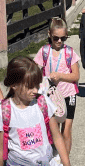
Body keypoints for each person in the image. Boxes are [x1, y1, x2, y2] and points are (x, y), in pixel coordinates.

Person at [34, 17, 81, 154]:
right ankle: (55, 155)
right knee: (53, 128)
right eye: (56, 38)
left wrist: (60, 76)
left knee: (66, 129)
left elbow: (76, 76)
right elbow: (34, 71)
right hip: (51, 96)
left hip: (68, 94)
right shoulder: (44, 51)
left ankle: (65, 160)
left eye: (63, 38)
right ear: (49, 34)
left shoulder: (69, 52)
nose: (60, 41)